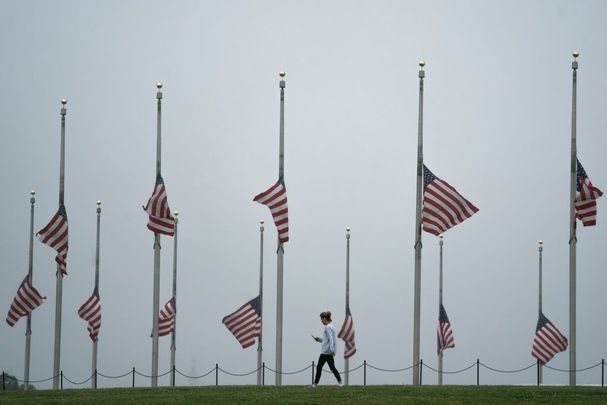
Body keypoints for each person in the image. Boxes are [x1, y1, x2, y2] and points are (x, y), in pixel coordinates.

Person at [309, 311, 343, 387]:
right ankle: (340, 383)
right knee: (332, 368)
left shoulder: (328, 327)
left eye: (321, 319)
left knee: (319, 367)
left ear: (325, 318)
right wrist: (319, 340)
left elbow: (331, 339)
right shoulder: (331, 326)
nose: (321, 321)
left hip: (326, 352)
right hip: (328, 352)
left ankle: (315, 384)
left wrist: (332, 350)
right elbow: (327, 340)